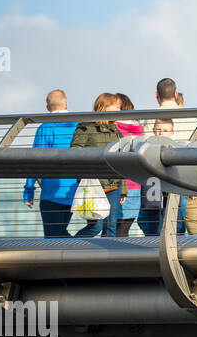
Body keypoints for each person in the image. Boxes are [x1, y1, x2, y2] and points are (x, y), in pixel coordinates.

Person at [22, 89, 78, 238]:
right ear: (66, 104)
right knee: (59, 234)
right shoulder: (78, 125)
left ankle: (78, 250)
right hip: (73, 192)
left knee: (53, 236)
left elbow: (35, 160)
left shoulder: (45, 127)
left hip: (51, 193)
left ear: (47, 108)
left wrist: (29, 190)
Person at [71, 93, 127, 237]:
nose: (119, 111)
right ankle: (71, 249)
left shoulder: (116, 132)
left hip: (113, 186)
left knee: (111, 228)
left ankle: (108, 258)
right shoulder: (86, 127)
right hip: (93, 186)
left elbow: (122, 160)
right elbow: (74, 152)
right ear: (104, 106)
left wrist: (123, 189)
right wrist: (83, 177)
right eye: (116, 106)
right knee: (95, 226)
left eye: (119, 107)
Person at [155, 78, 197, 235]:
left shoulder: (150, 117)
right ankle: (176, 249)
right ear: (176, 93)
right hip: (184, 176)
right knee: (178, 219)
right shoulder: (189, 117)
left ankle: (157, 251)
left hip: (156, 176)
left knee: (155, 218)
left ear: (156, 95)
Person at [138, 118, 177, 236]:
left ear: (172, 133)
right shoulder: (146, 147)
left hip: (172, 183)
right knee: (151, 219)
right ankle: (152, 239)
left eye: (165, 130)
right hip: (152, 185)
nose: (161, 133)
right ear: (153, 130)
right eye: (158, 129)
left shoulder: (177, 149)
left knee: (175, 215)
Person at [112, 93, 144, 236]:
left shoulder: (114, 127)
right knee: (124, 230)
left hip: (118, 183)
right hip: (136, 183)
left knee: (111, 230)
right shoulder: (139, 130)